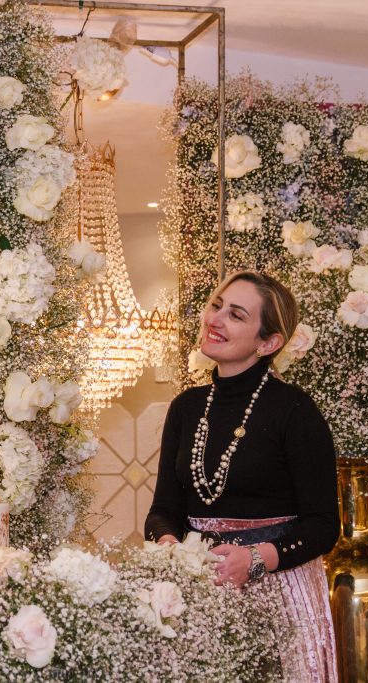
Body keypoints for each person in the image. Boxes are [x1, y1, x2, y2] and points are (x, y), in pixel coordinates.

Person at [144, 270, 339, 682]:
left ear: (268, 343)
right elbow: (164, 509)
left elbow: (324, 526)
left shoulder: (295, 412)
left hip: (278, 592)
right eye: (216, 306)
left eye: (235, 315)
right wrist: (171, 548)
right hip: (197, 591)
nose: (215, 319)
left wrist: (254, 559)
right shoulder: (186, 407)